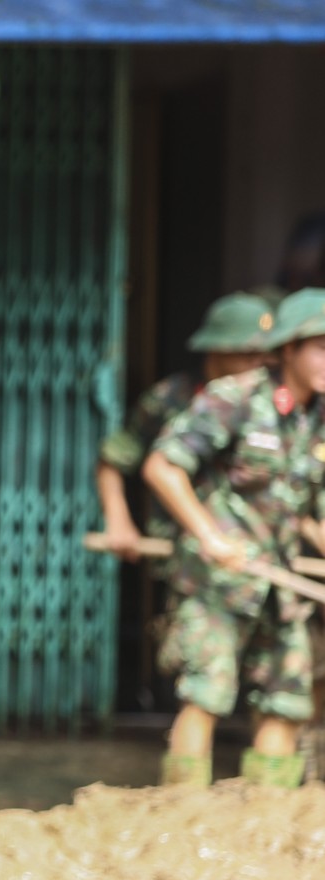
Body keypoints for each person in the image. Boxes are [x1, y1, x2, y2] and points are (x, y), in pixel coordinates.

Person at [143, 287, 325, 788]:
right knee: (206, 696)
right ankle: (185, 817)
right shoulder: (236, 398)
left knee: (287, 704)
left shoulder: (317, 419)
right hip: (217, 583)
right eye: (321, 346)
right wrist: (209, 536)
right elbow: (162, 467)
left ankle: (265, 828)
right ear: (288, 349)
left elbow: (311, 511)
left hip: (280, 585)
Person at [96, 293, 272, 562]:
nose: (256, 365)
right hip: (184, 554)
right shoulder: (172, 397)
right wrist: (118, 519)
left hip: (245, 557)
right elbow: (115, 459)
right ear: (217, 348)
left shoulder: (265, 404)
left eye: (264, 356)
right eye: (247, 354)